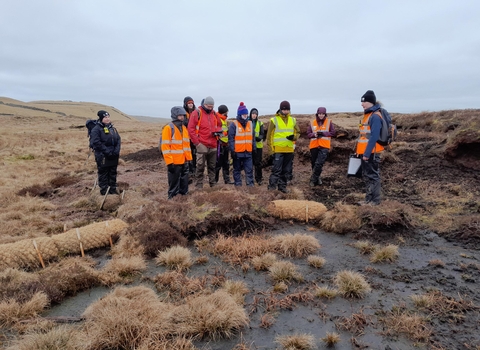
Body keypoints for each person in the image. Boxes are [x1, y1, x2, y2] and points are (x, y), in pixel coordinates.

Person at [187, 96, 222, 188]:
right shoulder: (196, 113)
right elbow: (190, 129)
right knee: (200, 166)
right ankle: (199, 185)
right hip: (201, 144)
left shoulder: (214, 114)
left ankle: (213, 184)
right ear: (204, 104)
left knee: (212, 166)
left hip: (213, 144)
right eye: (208, 106)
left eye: (212, 106)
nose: (210, 108)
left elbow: (219, 125)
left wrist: (218, 132)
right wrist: (197, 143)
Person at [356, 90, 384, 205]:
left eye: (364, 102)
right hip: (366, 151)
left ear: (370, 102)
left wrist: (367, 153)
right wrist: (360, 151)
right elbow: (364, 136)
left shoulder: (375, 116)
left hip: (372, 152)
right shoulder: (368, 115)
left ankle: (375, 201)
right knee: (367, 175)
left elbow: (374, 137)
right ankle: (368, 200)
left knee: (373, 176)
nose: (362, 104)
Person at [266, 101, 300, 193]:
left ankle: (282, 187)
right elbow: (269, 137)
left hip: (289, 149)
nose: (286, 111)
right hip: (278, 150)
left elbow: (298, 132)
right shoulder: (274, 120)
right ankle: (272, 188)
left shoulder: (293, 120)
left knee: (286, 170)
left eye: (287, 109)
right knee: (276, 170)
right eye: (284, 109)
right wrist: (271, 151)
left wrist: (294, 137)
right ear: (281, 109)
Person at [161, 106, 192, 199]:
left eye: (183, 115)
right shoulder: (168, 128)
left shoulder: (184, 128)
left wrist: (189, 159)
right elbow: (165, 146)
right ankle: (172, 199)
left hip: (184, 161)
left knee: (184, 182)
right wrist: (169, 162)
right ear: (175, 116)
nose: (182, 117)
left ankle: (183, 198)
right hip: (174, 162)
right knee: (174, 183)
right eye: (180, 115)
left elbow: (186, 145)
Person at [90, 110, 121, 195]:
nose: (107, 119)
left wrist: (116, 151)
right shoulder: (96, 129)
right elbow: (96, 142)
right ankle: (104, 192)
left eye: (108, 117)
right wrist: (107, 151)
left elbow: (118, 139)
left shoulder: (112, 128)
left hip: (114, 155)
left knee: (113, 172)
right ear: (101, 118)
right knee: (103, 173)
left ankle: (113, 190)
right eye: (105, 117)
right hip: (102, 155)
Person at [307, 107, 336, 187]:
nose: (321, 115)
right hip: (314, 146)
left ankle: (312, 180)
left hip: (324, 146)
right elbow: (308, 134)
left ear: (325, 114)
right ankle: (317, 177)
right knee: (314, 163)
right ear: (317, 114)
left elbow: (333, 133)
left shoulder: (329, 122)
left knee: (319, 163)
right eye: (320, 114)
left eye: (323, 114)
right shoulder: (312, 123)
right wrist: (314, 135)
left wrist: (323, 134)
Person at [229, 102, 255, 187]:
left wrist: (253, 147)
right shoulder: (234, 124)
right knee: (237, 169)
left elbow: (253, 137)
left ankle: (250, 186)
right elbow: (231, 139)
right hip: (238, 152)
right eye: (244, 114)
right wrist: (232, 150)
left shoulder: (250, 124)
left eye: (246, 114)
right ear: (239, 114)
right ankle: (238, 185)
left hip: (248, 151)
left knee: (249, 170)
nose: (246, 115)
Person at [215, 104, 234, 184]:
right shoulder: (217, 119)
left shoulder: (224, 120)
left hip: (225, 145)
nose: (227, 113)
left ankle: (227, 180)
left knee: (226, 163)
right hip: (219, 145)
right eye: (226, 112)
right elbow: (217, 132)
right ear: (224, 112)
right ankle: (214, 181)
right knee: (218, 164)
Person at [250, 107, 265, 185]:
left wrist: (259, 138)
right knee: (250, 163)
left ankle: (259, 178)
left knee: (258, 163)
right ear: (251, 114)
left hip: (258, 146)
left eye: (255, 114)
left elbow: (262, 134)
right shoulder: (248, 123)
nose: (254, 115)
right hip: (250, 146)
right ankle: (250, 179)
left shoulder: (260, 123)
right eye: (253, 114)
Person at [183, 96, 197, 176]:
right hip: (186, 137)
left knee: (194, 154)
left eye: (192, 103)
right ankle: (188, 169)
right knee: (188, 153)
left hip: (194, 137)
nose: (191, 104)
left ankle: (194, 169)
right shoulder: (183, 113)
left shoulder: (196, 112)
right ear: (186, 104)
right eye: (189, 103)